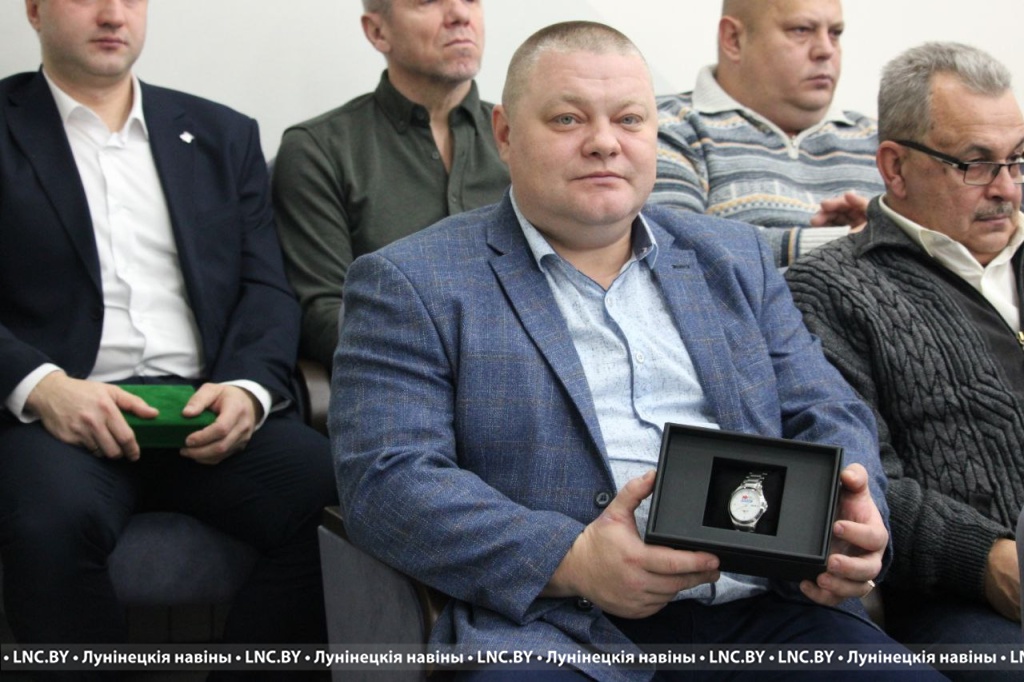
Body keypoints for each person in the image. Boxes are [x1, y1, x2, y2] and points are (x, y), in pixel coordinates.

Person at [331, 20, 944, 682]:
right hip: (558, 626)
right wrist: (573, 559)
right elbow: (388, 480)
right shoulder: (411, 281)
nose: (604, 142)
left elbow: (827, 408)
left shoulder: (733, 257)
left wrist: (855, 512)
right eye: (568, 119)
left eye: (629, 119)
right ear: (505, 133)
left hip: (768, 611)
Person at [0, 0, 336, 660]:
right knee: (47, 523)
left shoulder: (220, 134)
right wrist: (41, 387)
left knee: (348, 501)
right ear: (35, 11)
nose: (112, 14)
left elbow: (266, 290)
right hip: (59, 416)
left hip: (202, 406)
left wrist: (247, 389)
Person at [786, 41, 1024, 678]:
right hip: (969, 596)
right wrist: (988, 561)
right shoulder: (830, 289)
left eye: (1018, 160)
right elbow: (861, 479)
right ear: (895, 166)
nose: (1006, 188)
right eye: (976, 164)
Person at [272, 0, 510, 370]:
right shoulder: (319, 148)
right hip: (397, 382)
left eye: (470, 0)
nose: (460, 15)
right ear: (378, 31)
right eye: (427, 2)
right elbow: (323, 313)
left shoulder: (525, 141)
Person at [652, 0, 883, 268]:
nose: (826, 50)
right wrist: (855, 242)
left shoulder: (881, 141)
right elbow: (675, 250)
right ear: (733, 39)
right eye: (801, 30)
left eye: (835, 33)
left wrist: (881, 232)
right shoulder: (664, 127)